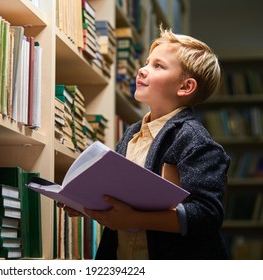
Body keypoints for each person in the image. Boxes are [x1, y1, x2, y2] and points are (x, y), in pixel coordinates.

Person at [59, 26, 230, 259]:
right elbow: (123, 200)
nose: (142, 70)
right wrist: (88, 204)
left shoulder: (194, 140)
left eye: (158, 66)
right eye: (147, 62)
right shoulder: (132, 134)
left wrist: (134, 220)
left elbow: (207, 214)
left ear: (185, 87)